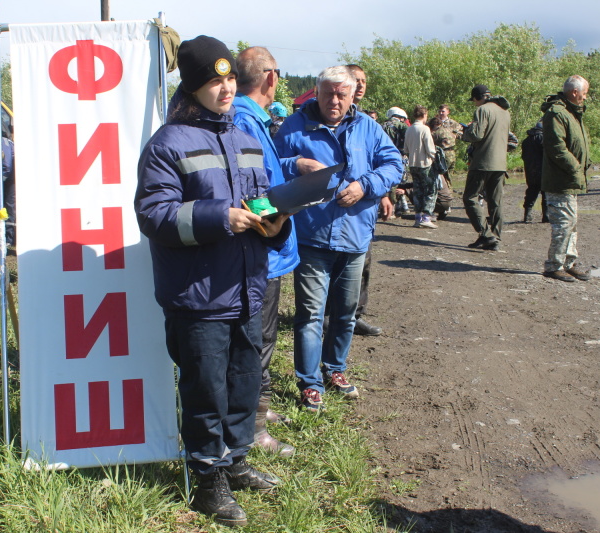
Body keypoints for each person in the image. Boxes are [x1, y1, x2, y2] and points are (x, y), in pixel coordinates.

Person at [134, 36, 291, 528]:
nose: (225, 89)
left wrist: (276, 219)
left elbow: (262, 200)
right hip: (198, 296)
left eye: (228, 79)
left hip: (247, 285)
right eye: (213, 81)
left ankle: (237, 461)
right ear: (194, 86)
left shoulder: (245, 139)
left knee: (245, 380)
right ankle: (207, 480)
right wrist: (220, 217)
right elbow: (154, 216)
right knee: (206, 391)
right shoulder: (166, 144)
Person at [274, 65, 402, 410]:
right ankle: (310, 382)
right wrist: (295, 164)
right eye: (328, 93)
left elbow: (393, 165)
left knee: (345, 313)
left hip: (355, 235)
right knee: (311, 314)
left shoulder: (368, 127)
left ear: (351, 96)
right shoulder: (295, 126)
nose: (334, 100)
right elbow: (269, 166)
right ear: (317, 93)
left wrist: (365, 186)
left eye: (341, 95)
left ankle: (335, 369)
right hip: (311, 235)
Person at [232, 46, 296, 457]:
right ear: (270, 78)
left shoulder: (252, 118)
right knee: (257, 339)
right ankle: (253, 427)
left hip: (269, 247)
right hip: (262, 248)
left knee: (266, 334)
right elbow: (252, 190)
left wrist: (292, 170)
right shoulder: (244, 119)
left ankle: (261, 407)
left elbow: (265, 173)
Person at [345, 63, 391, 337]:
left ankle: (355, 315)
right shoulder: (332, 116)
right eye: (356, 80)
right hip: (338, 206)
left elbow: (379, 162)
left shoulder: (367, 123)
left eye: (363, 81)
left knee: (364, 262)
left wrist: (382, 193)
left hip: (365, 205)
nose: (360, 85)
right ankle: (330, 316)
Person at [540, 75, 592, 283]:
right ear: (574, 92)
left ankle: (568, 263)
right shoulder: (557, 113)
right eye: (584, 93)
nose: (585, 97)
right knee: (563, 224)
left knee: (572, 223)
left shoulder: (572, 112)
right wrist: (576, 168)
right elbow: (557, 148)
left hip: (569, 179)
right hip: (560, 179)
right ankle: (554, 265)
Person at [461, 84, 511, 251]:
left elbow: (476, 135)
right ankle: (495, 237)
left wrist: (464, 134)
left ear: (477, 97)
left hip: (483, 162)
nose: (474, 103)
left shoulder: (482, 110)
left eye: (473, 100)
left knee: (470, 197)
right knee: (496, 201)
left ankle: (486, 234)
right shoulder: (504, 111)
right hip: (501, 163)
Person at [404, 105, 438, 228]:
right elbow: (430, 148)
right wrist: (434, 157)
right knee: (430, 190)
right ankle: (426, 217)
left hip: (413, 164)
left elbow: (406, 149)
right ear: (424, 115)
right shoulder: (425, 129)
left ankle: (417, 217)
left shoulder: (409, 129)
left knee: (417, 190)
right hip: (425, 164)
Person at [431, 104, 464, 185]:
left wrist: (454, 136)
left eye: (443, 111)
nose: (441, 113)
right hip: (438, 150)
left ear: (448, 112)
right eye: (440, 111)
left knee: (448, 174)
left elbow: (461, 134)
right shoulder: (433, 122)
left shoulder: (453, 123)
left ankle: (448, 191)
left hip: (449, 150)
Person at [521, 121, 547, 223]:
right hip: (543, 169)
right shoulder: (544, 139)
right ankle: (546, 216)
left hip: (530, 170)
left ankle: (527, 215)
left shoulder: (526, 141)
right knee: (545, 193)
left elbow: (524, 157)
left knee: (531, 191)